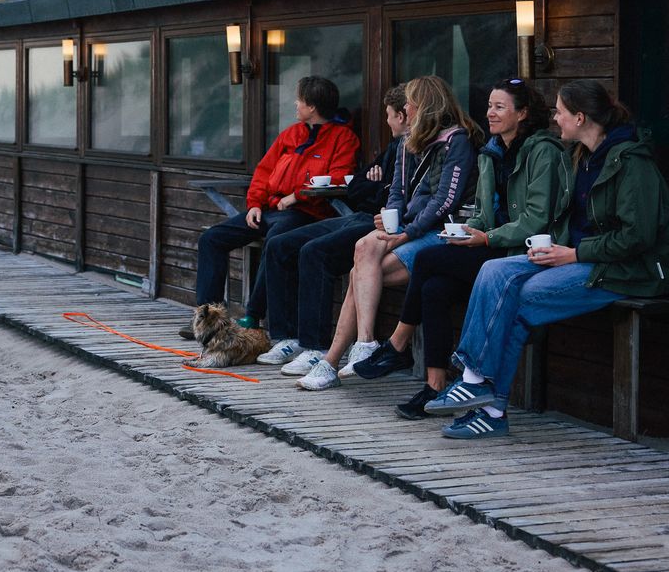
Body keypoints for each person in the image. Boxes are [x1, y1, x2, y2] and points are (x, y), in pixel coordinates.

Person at [425, 79, 669, 438]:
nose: (555, 119)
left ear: (580, 118)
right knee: (493, 270)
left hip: (626, 269)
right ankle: (475, 382)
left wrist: (573, 253)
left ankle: (490, 406)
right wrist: (556, 249)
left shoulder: (631, 163)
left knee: (519, 301)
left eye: (560, 113)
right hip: (577, 256)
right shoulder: (583, 157)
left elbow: (636, 238)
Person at [352, 79, 563, 420]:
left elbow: (536, 219)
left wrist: (485, 238)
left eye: (499, 107)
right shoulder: (493, 150)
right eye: (489, 106)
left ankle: (398, 342)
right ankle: (435, 384)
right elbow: (482, 210)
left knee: (427, 257)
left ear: (523, 114)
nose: (490, 113)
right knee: (434, 288)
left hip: (517, 252)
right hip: (489, 244)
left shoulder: (543, 152)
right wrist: (469, 230)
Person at [299, 75, 482, 390]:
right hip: (408, 228)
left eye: (409, 102)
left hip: (437, 232)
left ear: (423, 105)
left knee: (361, 272)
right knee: (363, 250)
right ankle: (365, 343)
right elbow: (396, 189)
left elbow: (444, 201)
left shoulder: (457, 141)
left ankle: (331, 360)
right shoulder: (407, 142)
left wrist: (408, 232)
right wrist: (390, 219)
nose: (405, 108)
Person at [256, 85, 409, 373]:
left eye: (389, 115)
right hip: (363, 215)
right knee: (279, 244)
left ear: (403, 116)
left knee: (315, 252)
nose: (386, 121)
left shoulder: (414, 148)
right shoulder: (394, 147)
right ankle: (288, 337)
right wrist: (375, 185)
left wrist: (377, 186)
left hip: (381, 224)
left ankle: (316, 347)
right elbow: (358, 186)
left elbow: (391, 196)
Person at [189, 76, 359, 333]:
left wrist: (298, 195)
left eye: (299, 99)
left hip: (306, 213)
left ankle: (253, 314)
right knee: (212, 238)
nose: (295, 103)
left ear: (311, 106)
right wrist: (255, 203)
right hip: (268, 209)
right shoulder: (291, 134)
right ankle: (208, 320)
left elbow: (339, 177)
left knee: (276, 241)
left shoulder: (343, 138)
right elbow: (263, 171)